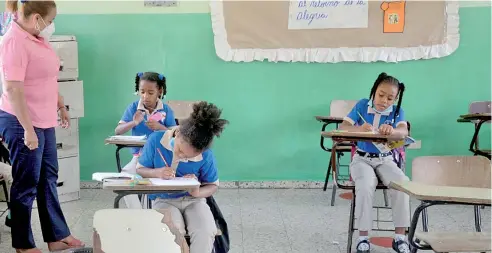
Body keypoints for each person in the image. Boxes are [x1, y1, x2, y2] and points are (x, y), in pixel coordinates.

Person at [0, 1, 83, 252]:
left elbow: (47, 76)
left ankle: (56, 236)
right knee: (26, 182)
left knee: (48, 177)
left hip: (44, 118)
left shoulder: (37, 38)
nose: (52, 24)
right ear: (37, 18)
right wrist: (27, 129)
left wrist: (60, 105)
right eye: (50, 19)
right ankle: (23, 245)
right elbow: (13, 89)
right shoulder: (14, 41)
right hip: (21, 120)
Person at [136, 101, 228, 253]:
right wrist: (157, 172)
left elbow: (212, 185)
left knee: (206, 230)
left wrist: (197, 191)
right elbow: (140, 169)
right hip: (163, 199)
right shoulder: (155, 141)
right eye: (179, 150)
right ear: (177, 133)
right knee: (173, 230)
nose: (181, 156)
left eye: (188, 156)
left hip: (194, 201)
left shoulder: (206, 155)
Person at [339, 72, 410, 253]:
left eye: (390, 98)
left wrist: (392, 130)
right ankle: (363, 238)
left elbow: (403, 133)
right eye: (381, 95)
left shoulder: (396, 112)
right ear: (374, 91)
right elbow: (343, 127)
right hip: (362, 159)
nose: (384, 101)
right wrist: (358, 128)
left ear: (395, 100)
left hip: (385, 160)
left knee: (402, 184)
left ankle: (400, 237)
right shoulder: (362, 105)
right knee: (364, 186)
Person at [115, 71, 177, 208]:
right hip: (138, 158)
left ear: (159, 91)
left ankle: (154, 209)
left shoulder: (166, 110)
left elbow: (176, 134)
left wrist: (161, 127)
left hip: (160, 159)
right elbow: (118, 131)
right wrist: (134, 123)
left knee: (153, 183)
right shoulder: (133, 108)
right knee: (124, 179)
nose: (145, 96)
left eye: (150, 92)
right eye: (142, 92)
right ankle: (138, 213)